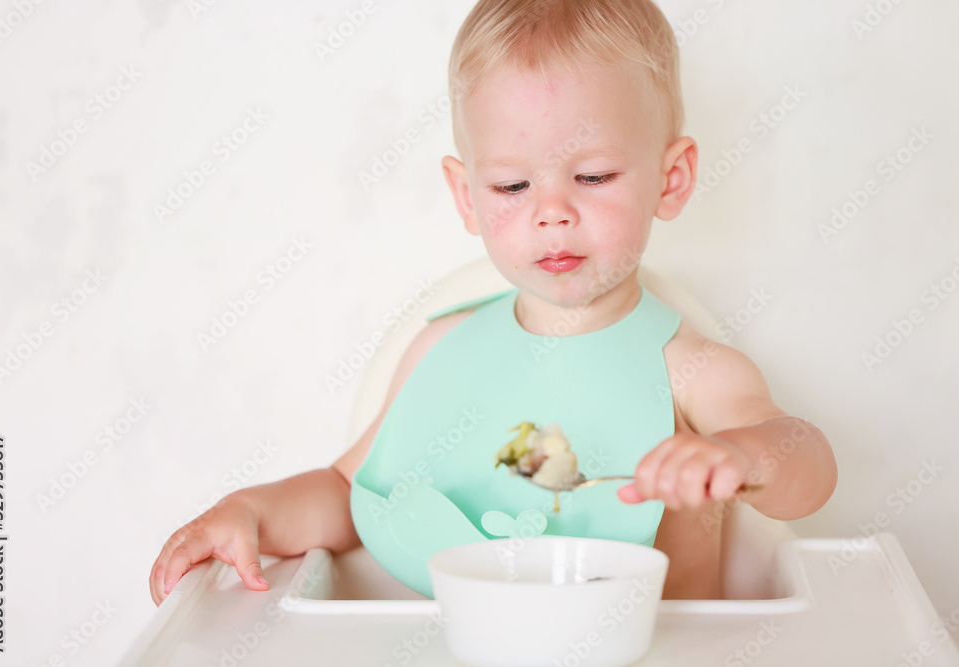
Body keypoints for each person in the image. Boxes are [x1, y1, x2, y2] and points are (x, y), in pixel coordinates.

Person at [149, 0, 837, 606]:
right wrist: (251, 511)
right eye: (512, 186)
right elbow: (346, 492)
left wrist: (742, 458)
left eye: (592, 175)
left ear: (672, 177)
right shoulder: (439, 351)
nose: (552, 213)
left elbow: (807, 463)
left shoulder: (692, 370)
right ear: (465, 196)